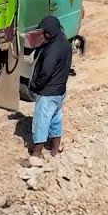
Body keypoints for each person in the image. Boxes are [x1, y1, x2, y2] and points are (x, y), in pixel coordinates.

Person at [23, 16, 72, 167]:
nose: (43, 35)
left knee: (41, 121)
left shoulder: (52, 49)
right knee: (56, 118)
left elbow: (46, 72)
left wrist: (35, 86)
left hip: (48, 92)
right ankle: (55, 150)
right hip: (60, 91)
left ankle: (37, 154)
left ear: (50, 32)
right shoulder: (65, 44)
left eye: (45, 32)